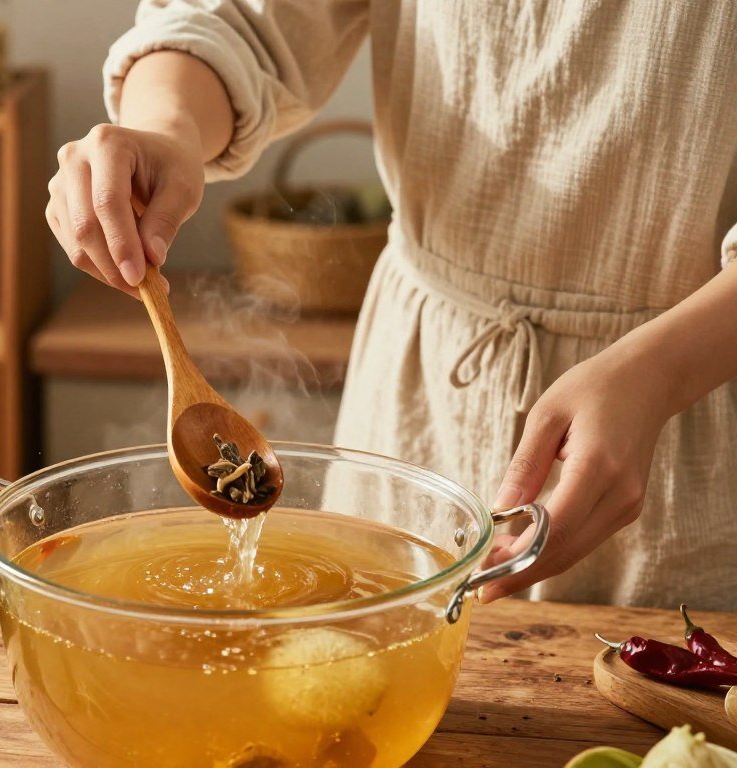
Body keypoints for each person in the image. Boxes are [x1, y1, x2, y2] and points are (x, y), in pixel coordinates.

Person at [45, 1, 737, 611]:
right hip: (422, 388)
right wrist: (167, 127)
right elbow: (244, 19)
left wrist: (662, 372)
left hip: (696, 394)